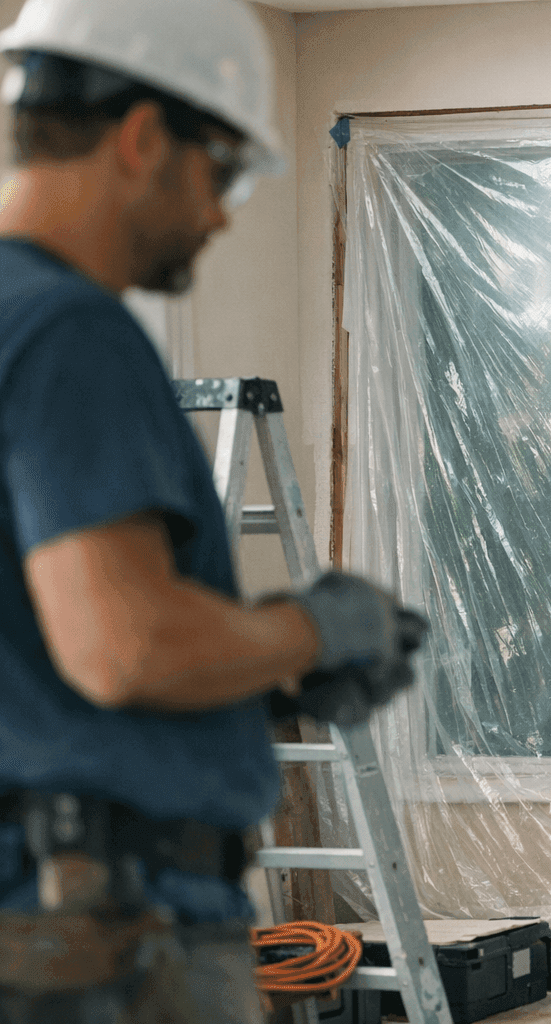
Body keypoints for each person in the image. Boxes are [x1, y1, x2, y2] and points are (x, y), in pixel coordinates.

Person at [0, 0, 426, 1021]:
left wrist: (260, 673)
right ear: (144, 136)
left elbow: (41, 666)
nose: (224, 212)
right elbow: (126, 646)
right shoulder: (67, 331)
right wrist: (316, 629)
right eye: (222, 169)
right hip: (103, 937)